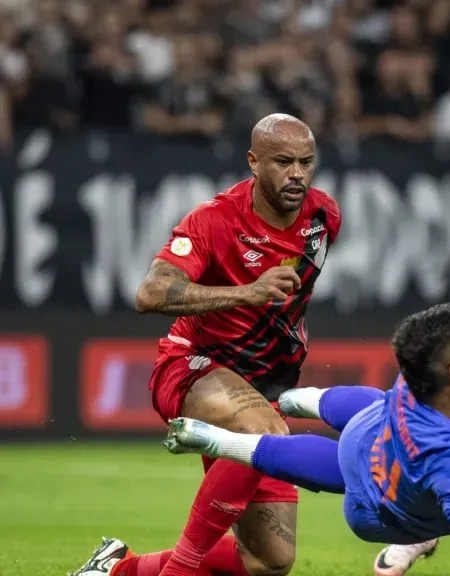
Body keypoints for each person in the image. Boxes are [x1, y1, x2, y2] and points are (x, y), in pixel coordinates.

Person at [156, 164, 450, 576]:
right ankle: (262, 428)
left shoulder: (425, 376)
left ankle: (301, 401)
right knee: (354, 465)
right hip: (380, 512)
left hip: (384, 431)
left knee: (372, 417)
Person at [70, 114, 341, 576]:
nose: (297, 173)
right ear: (253, 162)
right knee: (267, 434)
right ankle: (181, 570)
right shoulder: (214, 220)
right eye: (283, 162)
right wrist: (246, 291)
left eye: (306, 162)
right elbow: (150, 294)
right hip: (192, 367)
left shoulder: (323, 216)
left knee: (268, 562)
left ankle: (115, 568)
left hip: (260, 390)